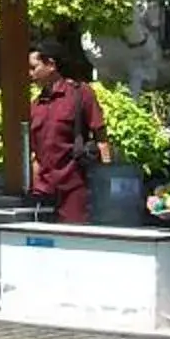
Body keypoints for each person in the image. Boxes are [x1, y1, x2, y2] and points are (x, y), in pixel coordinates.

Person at [26, 42, 109, 225]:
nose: (30, 74)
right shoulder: (35, 106)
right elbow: (35, 155)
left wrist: (106, 182)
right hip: (44, 192)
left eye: (33, 68)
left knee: (75, 244)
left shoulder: (81, 94)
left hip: (74, 188)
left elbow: (101, 138)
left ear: (51, 65)